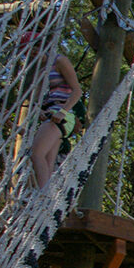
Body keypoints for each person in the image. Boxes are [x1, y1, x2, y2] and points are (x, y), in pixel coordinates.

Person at [23, 32, 82, 188]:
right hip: (52, 114)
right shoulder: (41, 70)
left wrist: (63, 111)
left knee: (36, 154)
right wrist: (39, 110)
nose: (34, 51)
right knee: (48, 164)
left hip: (61, 115)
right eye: (30, 50)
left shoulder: (59, 61)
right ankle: (47, 201)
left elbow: (77, 91)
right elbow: (35, 99)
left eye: (37, 47)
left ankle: (43, 199)